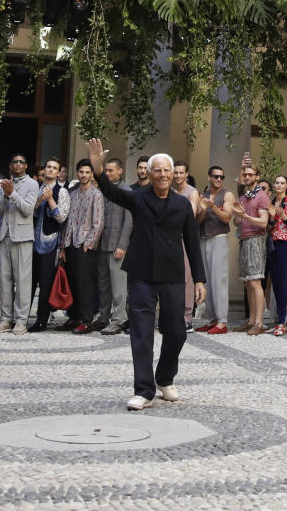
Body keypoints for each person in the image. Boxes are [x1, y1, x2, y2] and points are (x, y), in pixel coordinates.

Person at [88, 139, 206, 410]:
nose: (163, 175)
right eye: (158, 171)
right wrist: (98, 168)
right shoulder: (136, 197)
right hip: (141, 274)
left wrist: (199, 279)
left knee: (176, 331)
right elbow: (109, 191)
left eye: (167, 170)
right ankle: (143, 390)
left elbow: (192, 242)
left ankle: (165, 378)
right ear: (150, 174)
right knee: (141, 332)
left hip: (172, 275)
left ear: (173, 173)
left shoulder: (182, 205)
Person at [0, 153, 39, 335]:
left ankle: (21, 320)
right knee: (4, 279)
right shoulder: (6, 183)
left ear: (26, 166)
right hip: (5, 235)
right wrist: (4, 194)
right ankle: (5, 319)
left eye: (21, 162)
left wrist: (13, 194)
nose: (17, 165)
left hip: (22, 236)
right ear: (11, 165)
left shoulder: (32, 184)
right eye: (14, 162)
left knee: (23, 280)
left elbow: (28, 209)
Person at [58, 159, 104, 333]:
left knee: (85, 284)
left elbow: (98, 223)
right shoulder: (72, 193)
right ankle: (74, 316)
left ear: (91, 174)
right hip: (70, 243)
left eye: (87, 172)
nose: (84, 175)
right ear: (77, 173)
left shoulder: (96, 194)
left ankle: (86, 319)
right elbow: (67, 222)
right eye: (81, 172)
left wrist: (89, 243)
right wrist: (63, 246)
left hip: (85, 245)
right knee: (72, 282)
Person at [29, 157, 70, 332]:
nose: (51, 170)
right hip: (31, 241)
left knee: (46, 283)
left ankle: (42, 320)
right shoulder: (35, 188)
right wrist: (40, 200)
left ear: (59, 171)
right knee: (28, 282)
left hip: (50, 241)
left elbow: (62, 217)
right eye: (49, 167)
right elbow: (28, 212)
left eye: (55, 168)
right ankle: (21, 318)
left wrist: (50, 199)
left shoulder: (62, 191)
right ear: (44, 169)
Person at [94, 157, 133, 334]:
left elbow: (129, 221)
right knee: (103, 283)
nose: (108, 173)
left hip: (118, 244)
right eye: (106, 170)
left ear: (120, 171)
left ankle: (119, 319)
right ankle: (103, 316)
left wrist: (122, 245)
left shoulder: (126, 190)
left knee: (118, 285)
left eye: (111, 170)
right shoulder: (103, 189)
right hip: (102, 243)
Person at [232, 159, 270, 335]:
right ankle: (252, 320)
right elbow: (237, 221)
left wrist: (245, 215)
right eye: (245, 174)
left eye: (250, 174)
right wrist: (238, 215)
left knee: (255, 281)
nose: (246, 177)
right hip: (244, 239)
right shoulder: (243, 196)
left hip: (256, 239)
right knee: (248, 282)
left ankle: (259, 323)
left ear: (257, 177)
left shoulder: (261, 196)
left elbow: (263, 222)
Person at [196, 165, 234, 334]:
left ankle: (222, 321)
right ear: (209, 177)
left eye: (221, 177)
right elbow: (197, 221)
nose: (219, 179)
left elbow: (227, 218)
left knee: (220, 280)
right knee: (208, 280)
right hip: (204, 238)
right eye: (216, 176)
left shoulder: (227, 194)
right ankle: (212, 318)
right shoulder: (202, 195)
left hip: (219, 238)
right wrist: (203, 209)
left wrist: (212, 207)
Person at [171, 161, 200, 328]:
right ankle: (174, 314)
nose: (178, 176)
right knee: (173, 277)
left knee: (187, 277)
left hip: (185, 237)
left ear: (187, 174)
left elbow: (192, 215)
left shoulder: (192, 192)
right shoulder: (172, 191)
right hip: (171, 238)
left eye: (181, 173)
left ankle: (187, 317)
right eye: (176, 173)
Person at [267, 175, 287, 336]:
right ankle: (278, 319)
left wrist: (283, 215)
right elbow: (270, 226)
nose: (279, 185)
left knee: (284, 283)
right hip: (273, 243)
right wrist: (272, 218)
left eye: (282, 183)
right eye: (277, 182)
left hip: (286, 243)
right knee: (276, 283)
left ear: (286, 186)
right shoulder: (272, 202)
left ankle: (282, 321)